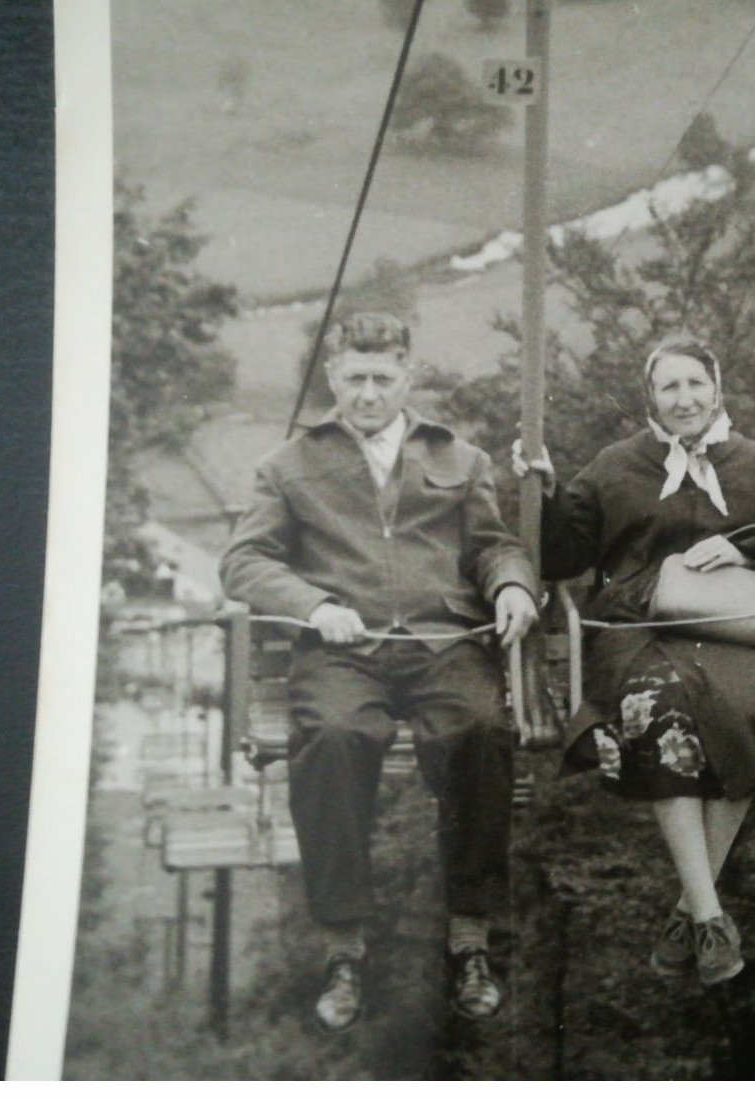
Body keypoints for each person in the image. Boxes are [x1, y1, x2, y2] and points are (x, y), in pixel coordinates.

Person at [220, 312, 539, 1031]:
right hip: (344, 651)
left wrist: (513, 585)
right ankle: (343, 947)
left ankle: (469, 937)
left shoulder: (458, 458)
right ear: (333, 376)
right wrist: (313, 603)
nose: (368, 393)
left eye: (382, 377)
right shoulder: (289, 464)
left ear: (408, 375)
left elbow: (494, 545)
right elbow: (244, 561)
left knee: (481, 729)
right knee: (332, 736)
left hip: (442, 644)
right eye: (354, 378)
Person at [513, 333, 755, 986]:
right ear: (652, 398)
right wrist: (547, 495)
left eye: (696, 384)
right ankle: (712, 918)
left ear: (717, 390)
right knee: (662, 708)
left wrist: (749, 550)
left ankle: (691, 911)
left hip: (736, 632)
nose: (685, 398)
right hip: (638, 631)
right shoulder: (615, 467)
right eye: (670, 387)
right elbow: (560, 559)